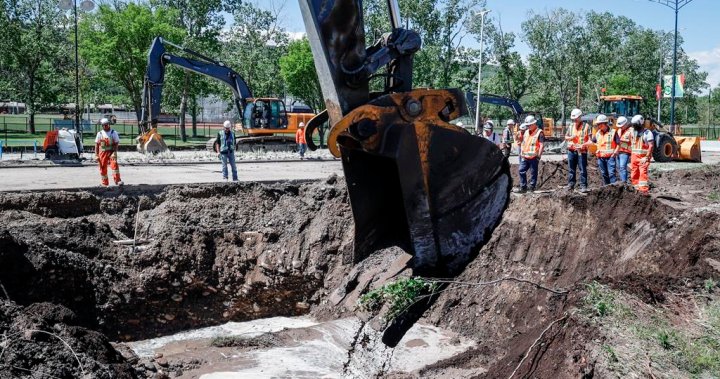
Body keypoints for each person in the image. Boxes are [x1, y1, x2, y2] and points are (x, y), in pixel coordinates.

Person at [515, 115, 545, 193]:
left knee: (533, 173)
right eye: (527, 125)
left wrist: (539, 156)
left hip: (534, 157)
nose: (528, 126)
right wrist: (521, 151)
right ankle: (523, 187)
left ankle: (532, 187)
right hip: (525, 156)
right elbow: (524, 142)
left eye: (529, 125)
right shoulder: (526, 132)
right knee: (521, 170)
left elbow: (541, 145)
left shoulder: (539, 132)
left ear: (534, 123)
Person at [564, 108, 591, 192]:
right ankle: (571, 184)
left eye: (576, 119)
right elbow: (566, 137)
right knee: (571, 169)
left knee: (582, 169)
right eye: (573, 119)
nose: (574, 120)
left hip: (581, 152)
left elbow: (590, 140)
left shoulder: (586, 126)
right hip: (571, 151)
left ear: (580, 117)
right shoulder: (571, 126)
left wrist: (583, 145)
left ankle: (583, 185)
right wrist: (570, 137)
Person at [591, 114, 620, 185]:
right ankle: (606, 188)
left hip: (610, 157)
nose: (598, 126)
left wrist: (615, 153)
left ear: (605, 123)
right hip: (601, 157)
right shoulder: (598, 133)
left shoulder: (613, 132)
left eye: (600, 124)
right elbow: (592, 142)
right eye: (598, 124)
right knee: (604, 174)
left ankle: (614, 188)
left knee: (611, 173)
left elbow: (618, 144)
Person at [94, 118, 123, 187]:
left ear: (109, 124)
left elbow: (116, 143)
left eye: (106, 125)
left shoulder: (113, 133)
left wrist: (115, 152)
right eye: (103, 125)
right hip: (102, 153)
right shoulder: (100, 134)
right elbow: (96, 145)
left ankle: (118, 181)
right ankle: (105, 183)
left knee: (114, 166)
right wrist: (96, 155)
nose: (105, 126)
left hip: (111, 152)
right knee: (103, 168)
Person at [629, 115, 654, 194]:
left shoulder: (647, 133)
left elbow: (651, 146)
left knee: (642, 174)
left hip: (643, 158)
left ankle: (643, 191)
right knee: (634, 174)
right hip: (634, 157)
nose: (634, 127)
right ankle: (636, 189)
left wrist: (647, 157)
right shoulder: (633, 132)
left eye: (635, 125)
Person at [615, 116, 632, 184]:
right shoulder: (619, 130)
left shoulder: (631, 131)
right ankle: (623, 181)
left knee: (622, 167)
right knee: (619, 168)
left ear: (626, 124)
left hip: (625, 152)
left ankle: (624, 183)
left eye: (621, 126)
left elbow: (632, 142)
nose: (620, 127)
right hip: (618, 151)